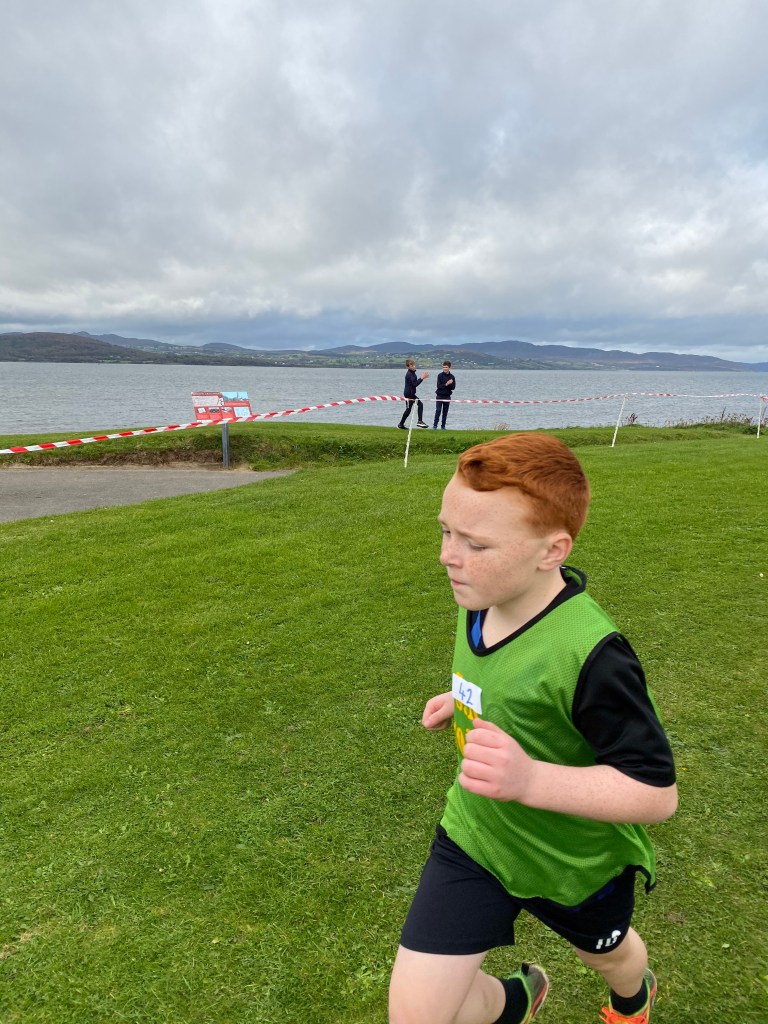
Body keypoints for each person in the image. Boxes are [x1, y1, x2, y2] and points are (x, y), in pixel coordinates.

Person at [388, 433, 677, 1024]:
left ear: (552, 550)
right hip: (478, 837)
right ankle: (515, 1001)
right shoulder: (480, 595)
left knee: (607, 956)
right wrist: (463, 699)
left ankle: (633, 995)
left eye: (475, 543)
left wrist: (529, 780)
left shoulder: (593, 656)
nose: (447, 556)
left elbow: (656, 794)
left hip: (574, 864)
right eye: (446, 531)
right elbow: (509, 675)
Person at [397, 359, 430, 429]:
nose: (413, 366)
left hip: (410, 393)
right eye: (411, 365)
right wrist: (422, 378)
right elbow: (415, 384)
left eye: (414, 365)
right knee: (420, 404)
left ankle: (401, 424)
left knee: (408, 409)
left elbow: (414, 384)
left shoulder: (412, 373)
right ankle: (419, 421)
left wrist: (422, 378)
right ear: (408, 367)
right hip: (409, 394)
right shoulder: (409, 374)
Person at [432, 361, 457, 429]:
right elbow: (439, 386)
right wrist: (446, 384)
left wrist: (450, 384)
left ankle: (443, 426)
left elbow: (453, 388)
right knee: (438, 410)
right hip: (439, 395)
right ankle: (435, 425)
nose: (445, 368)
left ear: (449, 368)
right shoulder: (440, 375)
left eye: (446, 367)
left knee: (445, 412)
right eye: (444, 367)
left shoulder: (452, 377)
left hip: (447, 396)